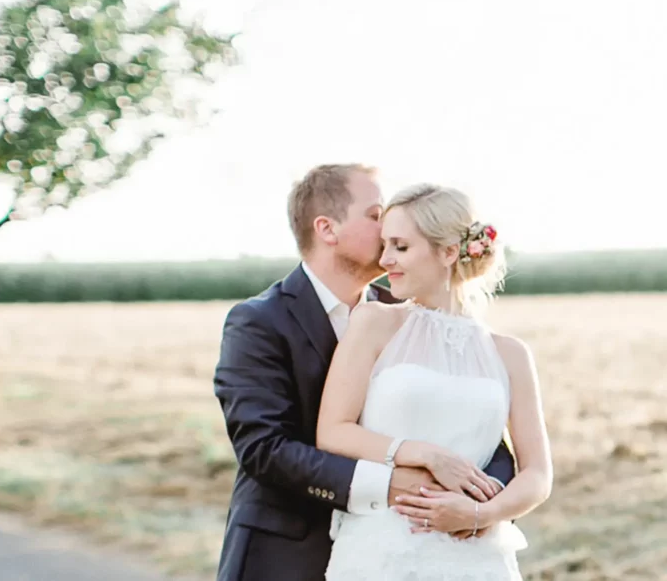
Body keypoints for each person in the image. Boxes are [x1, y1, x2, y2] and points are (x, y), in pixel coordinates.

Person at [213, 165, 519, 581]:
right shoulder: (258, 321)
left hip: (427, 545)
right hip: (288, 551)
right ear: (327, 228)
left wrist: (482, 505)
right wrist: (392, 484)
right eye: (376, 216)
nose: (388, 227)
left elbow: (476, 429)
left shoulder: (409, 314)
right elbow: (264, 449)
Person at [319, 182, 553, 580]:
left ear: (448, 252)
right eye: (385, 245)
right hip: (382, 551)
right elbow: (332, 432)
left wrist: (482, 514)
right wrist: (426, 454)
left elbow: (537, 474)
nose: (386, 259)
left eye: (401, 246)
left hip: (477, 558)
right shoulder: (375, 323)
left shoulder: (510, 354)